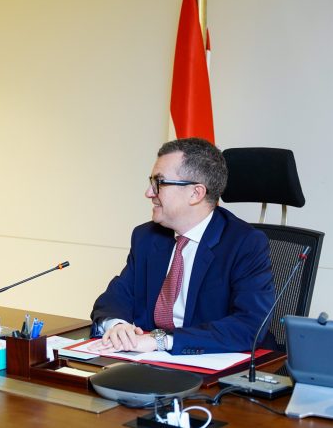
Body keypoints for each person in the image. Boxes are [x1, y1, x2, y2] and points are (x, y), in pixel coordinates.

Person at [89, 138, 274, 355]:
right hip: (150, 362)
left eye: (160, 183)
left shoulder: (244, 244)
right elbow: (115, 298)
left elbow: (249, 326)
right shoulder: (146, 237)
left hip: (213, 363)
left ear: (196, 193)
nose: (149, 193)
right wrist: (117, 326)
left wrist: (162, 341)